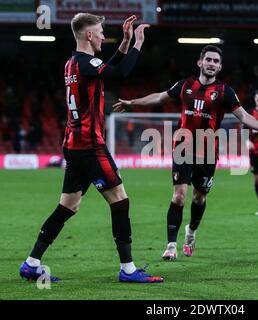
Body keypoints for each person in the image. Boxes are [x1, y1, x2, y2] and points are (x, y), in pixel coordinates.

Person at [19, 13, 163, 283]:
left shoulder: (72, 64)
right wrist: (138, 43)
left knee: (68, 206)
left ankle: (31, 263)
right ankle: (128, 270)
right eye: (99, 32)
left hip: (73, 144)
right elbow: (119, 72)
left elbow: (103, 69)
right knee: (120, 201)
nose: (101, 36)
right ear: (88, 35)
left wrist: (124, 43)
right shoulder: (86, 63)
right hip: (90, 146)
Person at [113, 45, 258, 261]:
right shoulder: (185, 85)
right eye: (208, 59)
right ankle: (171, 245)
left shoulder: (225, 91)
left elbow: (244, 116)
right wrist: (132, 103)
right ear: (200, 62)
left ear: (219, 67)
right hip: (183, 147)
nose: (211, 64)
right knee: (179, 195)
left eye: (215, 61)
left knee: (199, 197)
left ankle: (191, 231)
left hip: (208, 151)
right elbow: (159, 97)